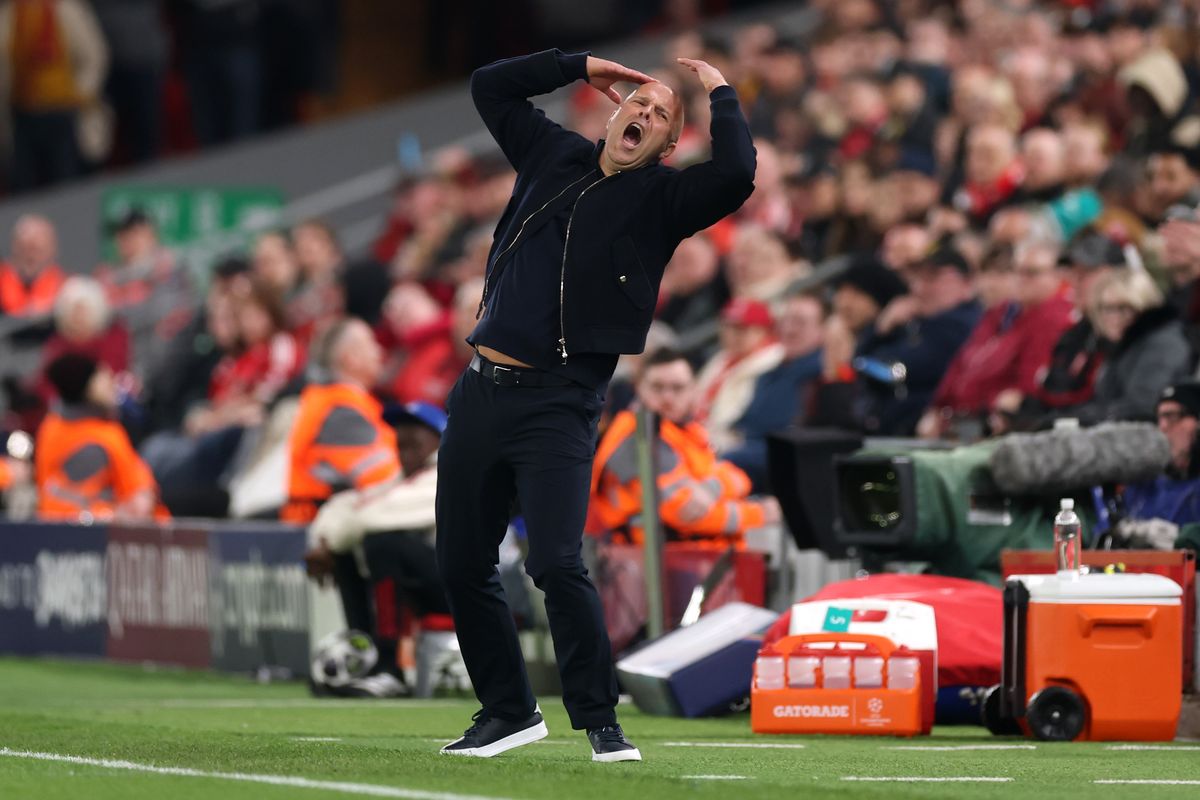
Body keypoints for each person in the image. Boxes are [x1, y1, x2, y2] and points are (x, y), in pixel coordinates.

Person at [435, 50, 754, 761]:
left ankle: (600, 718)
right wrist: (576, 64)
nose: (643, 112)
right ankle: (508, 712)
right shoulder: (553, 152)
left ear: (672, 143)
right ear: (614, 111)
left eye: (661, 114)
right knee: (460, 562)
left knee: (554, 560)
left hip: (560, 401)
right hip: (481, 389)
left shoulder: (663, 200)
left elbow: (735, 174)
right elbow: (489, 84)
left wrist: (719, 92)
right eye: (637, 103)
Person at [305, 402, 449, 698]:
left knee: (383, 542)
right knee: (357, 548)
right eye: (401, 435)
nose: (404, 439)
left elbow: (372, 517)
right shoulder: (401, 480)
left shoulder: (447, 476)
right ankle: (368, 657)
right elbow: (343, 505)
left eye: (415, 433)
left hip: (472, 587)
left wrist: (330, 541)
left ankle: (390, 667)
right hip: (433, 583)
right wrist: (326, 542)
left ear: (438, 439)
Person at [590, 348, 780, 546]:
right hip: (652, 567)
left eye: (677, 388)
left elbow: (738, 477)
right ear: (639, 387)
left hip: (695, 563)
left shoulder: (687, 432)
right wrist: (759, 514)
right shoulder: (638, 437)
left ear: (694, 391)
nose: (667, 397)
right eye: (657, 387)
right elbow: (685, 512)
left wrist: (709, 488)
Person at [281, 318, 399, 524]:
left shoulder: (335, 402)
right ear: (350, 358)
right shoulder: (341, 413)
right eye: (371, 343)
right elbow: (386, 479)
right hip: (320, 531)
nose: (379, 351)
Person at [35, 353, 163, 522]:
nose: (112, 384)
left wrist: (143, 492)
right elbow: (58, 500)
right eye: (103, 379)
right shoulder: (65, 433)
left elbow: (134, 473)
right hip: (93, 535)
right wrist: (113, 514)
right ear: (87, 387)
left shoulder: (107, 427)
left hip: (138, 526)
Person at [722, 293, 824, 490]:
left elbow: (790, 439)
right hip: (750, 459)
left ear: (821, 330)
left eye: (800, 322)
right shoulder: (767, 374)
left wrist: (728, 454)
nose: (789, 329)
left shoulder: (820, 377)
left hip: (785, 472)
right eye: (785, 321)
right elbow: (745, 424)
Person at [1112, 382, 1200, 551]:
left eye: (1173, 416)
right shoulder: (1143, 482)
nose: (1163, 427)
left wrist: (1182, 537)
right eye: (1159, 418)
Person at [694, 297, 783, 452]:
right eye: (727, 327)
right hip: (703, 435)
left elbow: (736, 425)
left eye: (741, 329)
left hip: (733, 443)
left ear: (761, 330)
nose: (730, 335)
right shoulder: (723, 358)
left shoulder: (772, 363)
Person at [0, 215, 65, 317]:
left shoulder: (65, 290)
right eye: (25, 249)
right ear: (14, 247)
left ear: (52, 251)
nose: (31, 257)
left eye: (37, 250)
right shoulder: (2, 279)